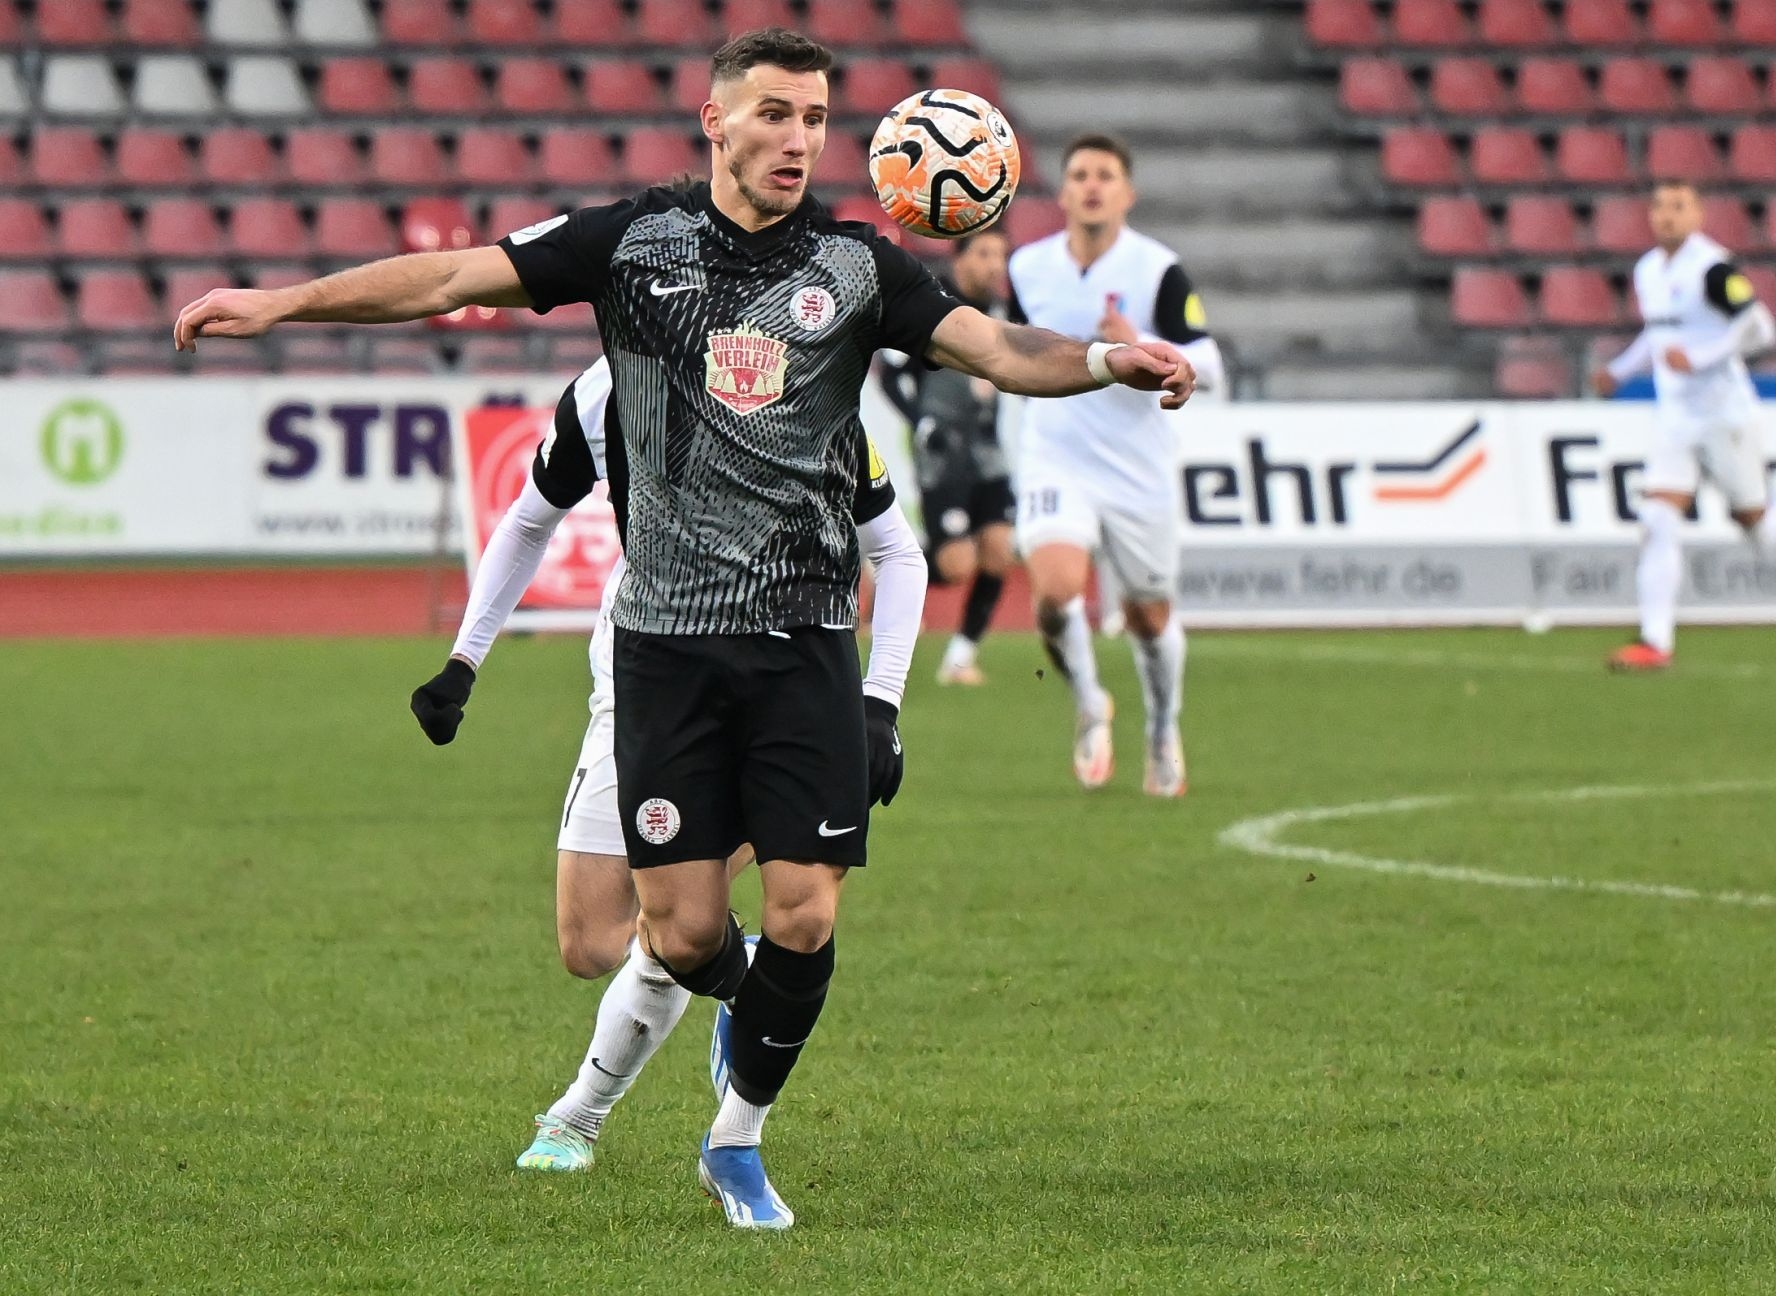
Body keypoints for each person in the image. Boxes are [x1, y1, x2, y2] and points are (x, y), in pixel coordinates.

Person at [174, 28, 1194, 1230]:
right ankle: (732, 1014)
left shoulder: (859, 268)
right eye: (774, 114)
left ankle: (737, 1140)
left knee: (808, 905)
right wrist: (283, 304)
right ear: (716, 122)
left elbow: (1000, 350)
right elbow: (451, 278)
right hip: (662, 648)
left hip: (804, 639)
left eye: (816, 118)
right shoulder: (630, 243)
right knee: (682, 928)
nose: (798, 139)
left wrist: (1108, 360)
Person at [405, 355, 925, 1174]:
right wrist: (464, 660)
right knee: (590, 942)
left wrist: (879, 702)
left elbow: (896, 549)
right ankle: (743, 981)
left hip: (775, 692)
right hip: (642, 685)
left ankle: (578, 1117)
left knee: (680, 917)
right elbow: (531, 518)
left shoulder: (797, 367)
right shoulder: (607, 387)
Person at [1006, 133, 1225, 795]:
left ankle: (1161, 727)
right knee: (1055, 593)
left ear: (1128, 193)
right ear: (1063, 191)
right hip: (1055, 454)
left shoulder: (1157, 270)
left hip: (1136, 466)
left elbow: (1210, 363)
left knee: (1149, 618)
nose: (1092, 185)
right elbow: (1009, 352)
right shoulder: (1027, 268)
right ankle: (1090, 704)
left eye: (1105, 175)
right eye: (1080, 174)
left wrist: (1143, 344)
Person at [1595, 180, 1776, 672]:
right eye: (1659, 206)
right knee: (1657, 519)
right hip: (1676, 417)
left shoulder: (1714, 269)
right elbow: (1659, 335)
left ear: (1698, 215)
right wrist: (1618, 371)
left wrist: (1700, 357)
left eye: (1678, 207)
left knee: (1759, 531)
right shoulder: (1648, 269)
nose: (1666, 215)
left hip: (1725, 415)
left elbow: (1761, 328)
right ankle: (1655, 642)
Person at [876, 228, 1017, 686]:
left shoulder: (1003, 309)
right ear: (960, 258)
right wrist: (920, 419)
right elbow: (890, 374)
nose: (995, 265)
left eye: (1001, 255)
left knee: (999, 550)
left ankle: (960, 658)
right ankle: (889, 575)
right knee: (957, 565)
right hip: (942, 451)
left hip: (987, 448)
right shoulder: (930, 302)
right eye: (985, 253)